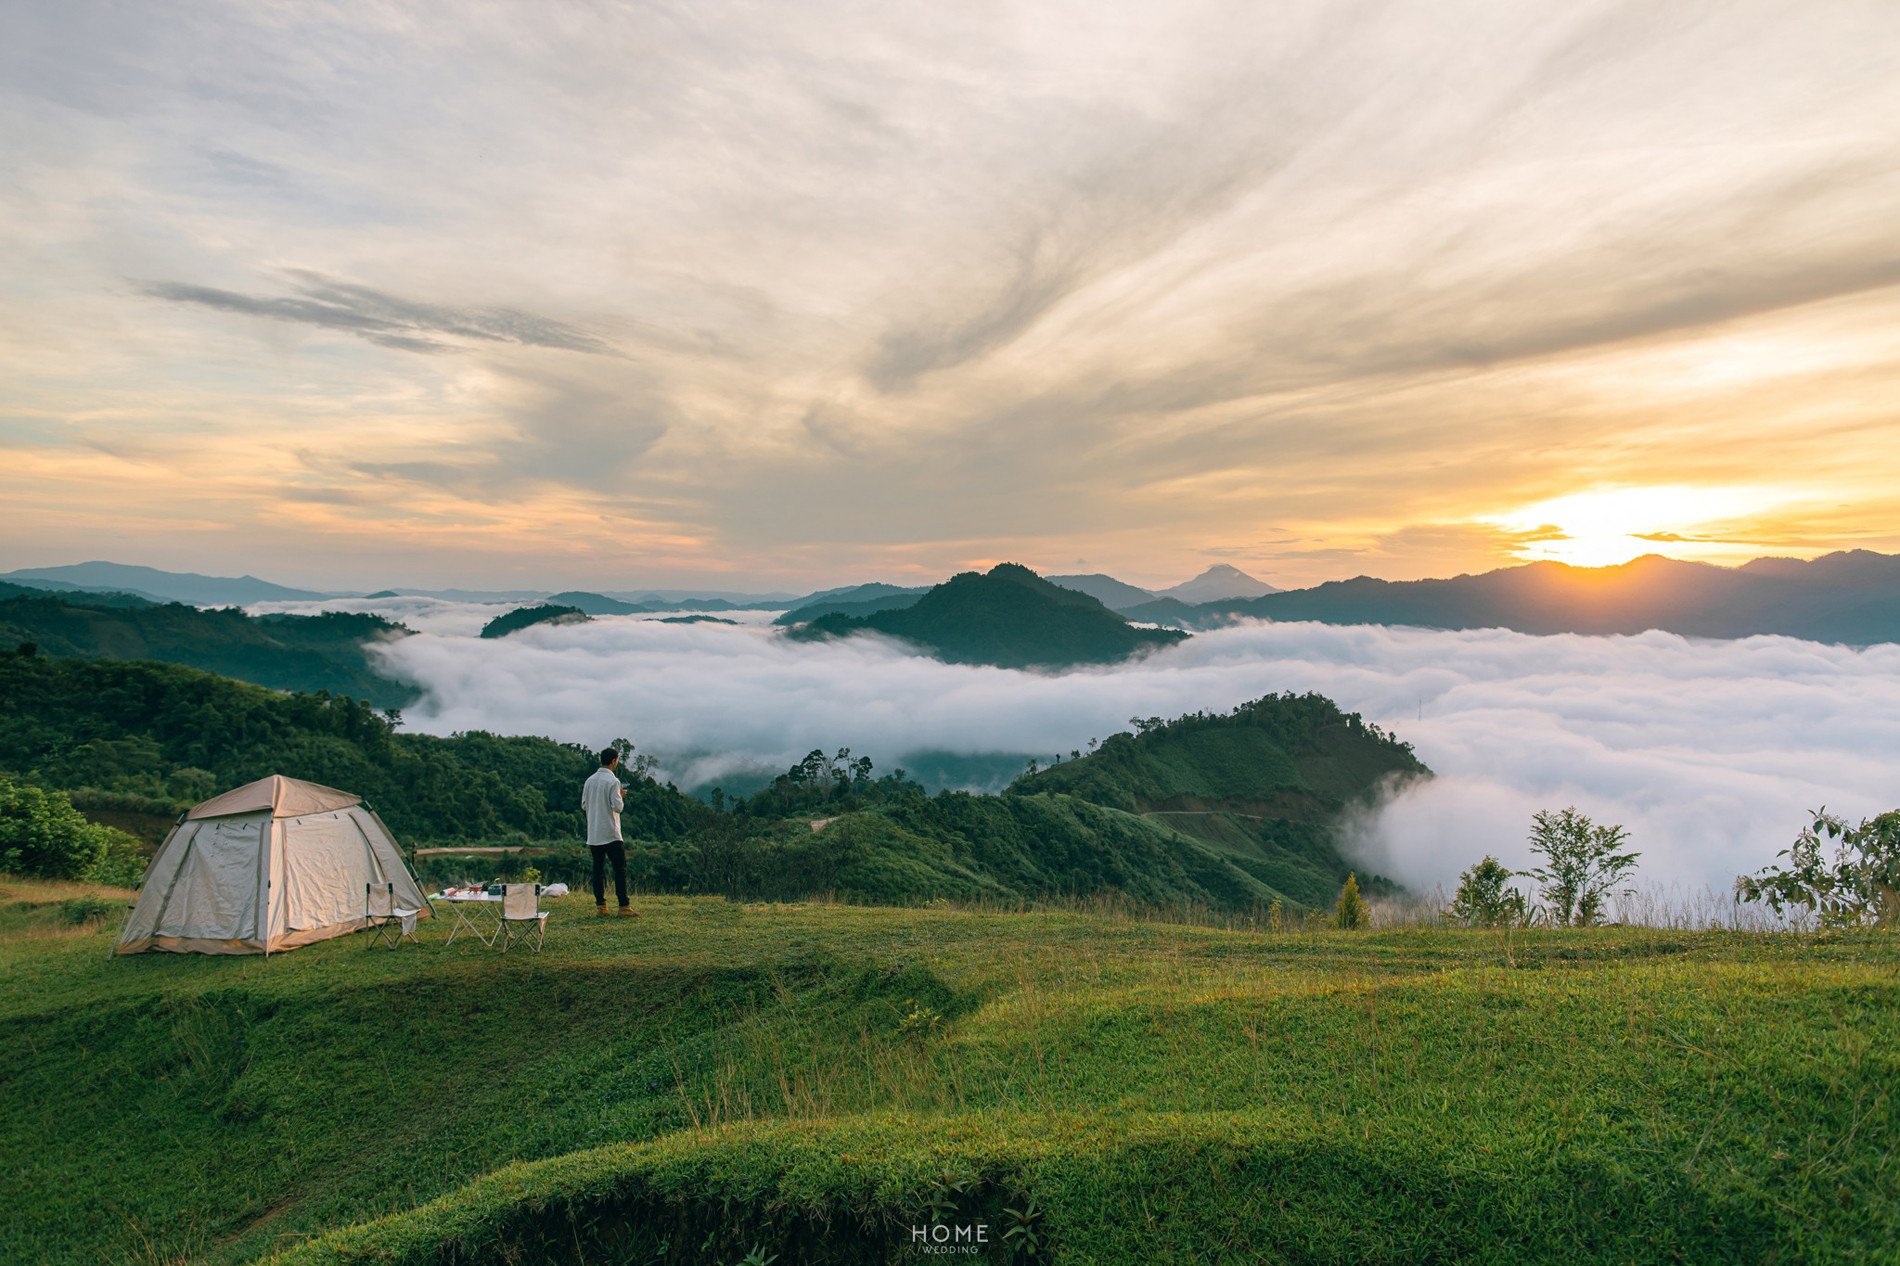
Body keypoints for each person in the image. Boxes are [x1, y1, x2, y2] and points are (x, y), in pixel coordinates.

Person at [583, 747, 636, 918]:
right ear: (614, 761)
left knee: (598, 870)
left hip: (594, 833)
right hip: (611, 833)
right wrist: (620, 794)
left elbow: (584, 805)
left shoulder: (589, 781)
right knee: (619, 869)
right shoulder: (614, 782)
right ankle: (623, 906)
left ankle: (601, 906)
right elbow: (618, 807)